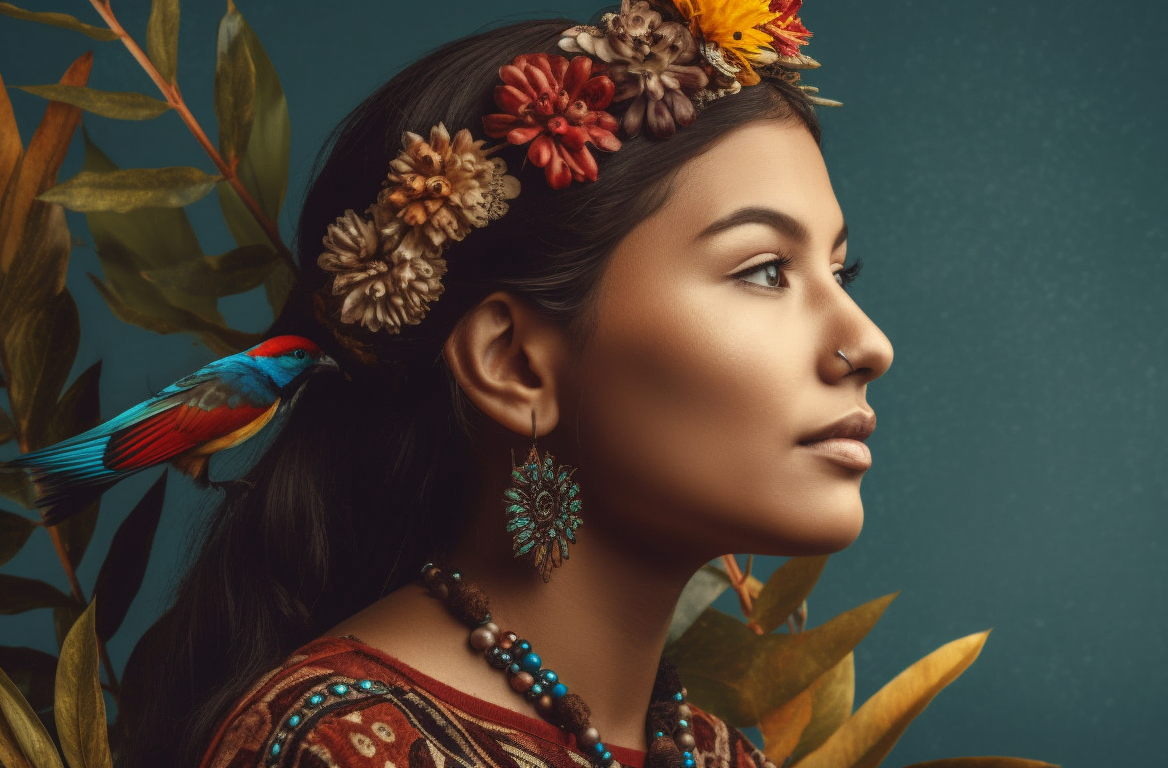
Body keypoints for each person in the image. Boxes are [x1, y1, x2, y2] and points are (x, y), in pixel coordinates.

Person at [114, 6, 893, 768]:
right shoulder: (339, 748)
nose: (868, 344)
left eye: (839, 271)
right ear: (514, 363)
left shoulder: (720, 755)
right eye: (765, 272)